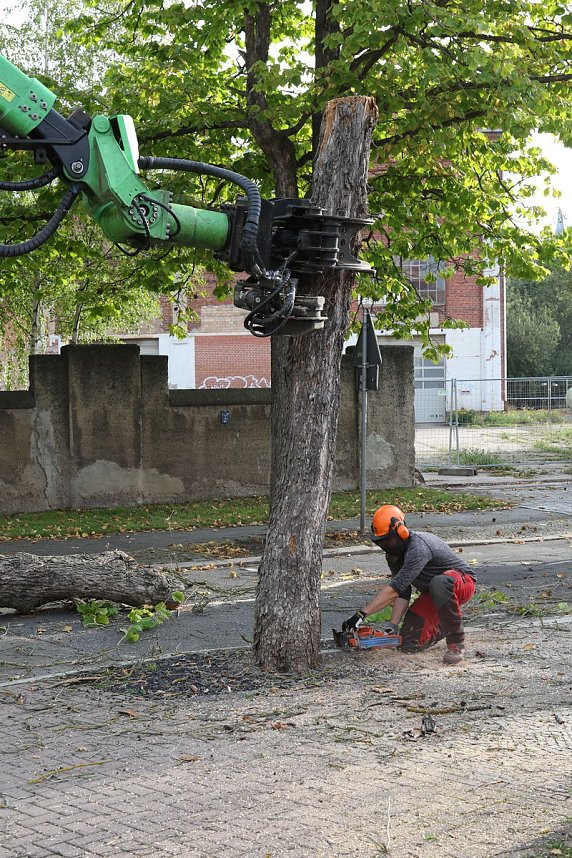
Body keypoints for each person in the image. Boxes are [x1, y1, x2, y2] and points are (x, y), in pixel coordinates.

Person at [342, 504, 476, 665]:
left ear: (401, 531)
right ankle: (446, 624)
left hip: (461, 582)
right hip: (433, 593)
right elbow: (402, 592)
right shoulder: (393, 556)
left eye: (388, 541)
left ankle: (456, 643)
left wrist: (360, 615)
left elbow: (395, 588)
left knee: (440, 582)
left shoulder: (418, 548)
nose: (385, 546)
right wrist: (392, 627)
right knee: (408, 643)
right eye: (381, 542)